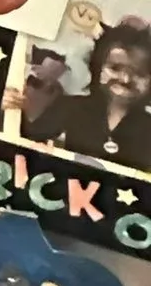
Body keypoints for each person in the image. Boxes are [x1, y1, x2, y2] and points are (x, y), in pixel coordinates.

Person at [35, 17, 151, 171]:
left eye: (140, 73)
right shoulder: (70, 107)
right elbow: (23, 141)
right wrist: (8, 104)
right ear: (97, 66)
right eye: (115, 68)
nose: (126, 79)